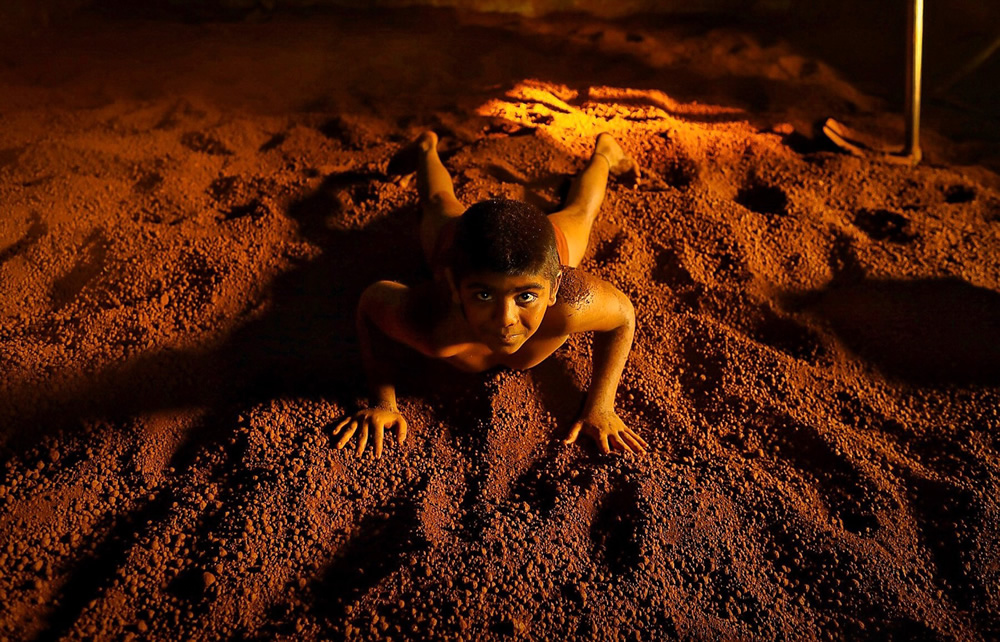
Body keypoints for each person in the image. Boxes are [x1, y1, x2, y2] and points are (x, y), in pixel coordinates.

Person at [333, 130, 647, 458]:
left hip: (543, 245)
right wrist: (383, 401)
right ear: (454, 288)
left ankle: (605, 153)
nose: (505, 319)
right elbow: (371, 303)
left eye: (525, 297)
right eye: (484, 296)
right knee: (439, 202)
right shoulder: (432, 321)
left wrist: (601, 407)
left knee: (582, 212)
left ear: (554, 287)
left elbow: (623, 316)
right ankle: (427, 147)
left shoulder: (571, 303)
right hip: (456, 242)